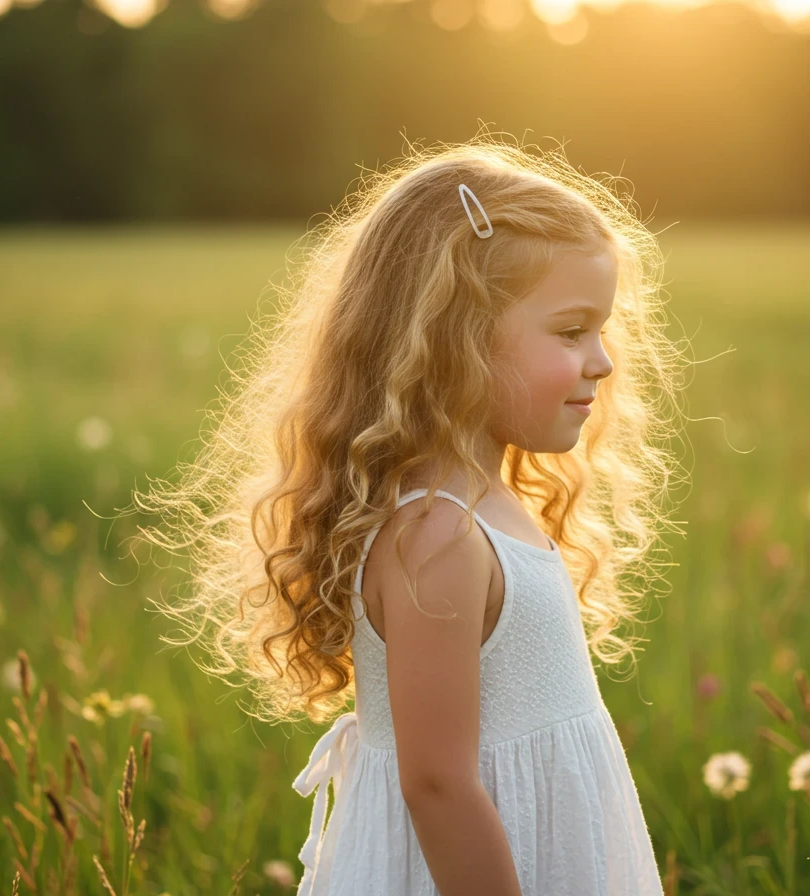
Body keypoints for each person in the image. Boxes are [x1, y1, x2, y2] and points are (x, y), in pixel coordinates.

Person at [132, 132, 689, 895]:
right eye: (570, 330)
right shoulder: (437, 537)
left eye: (601, 328)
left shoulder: (490, 508)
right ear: (453, 339)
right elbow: (438, 787)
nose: (603, 359)